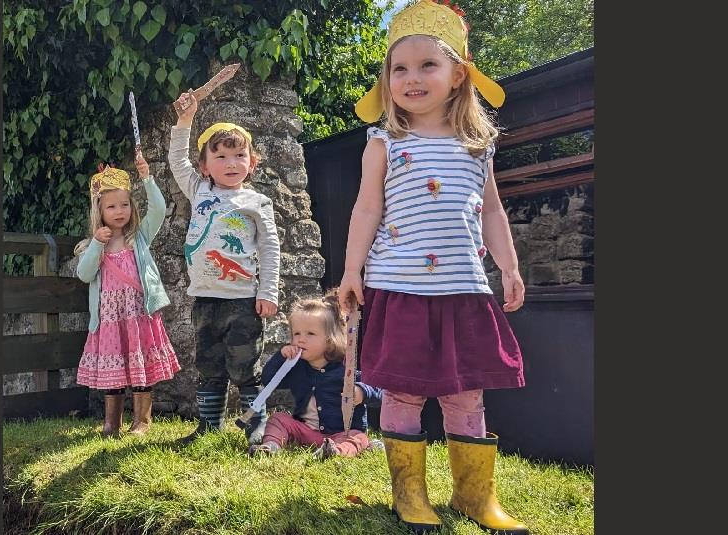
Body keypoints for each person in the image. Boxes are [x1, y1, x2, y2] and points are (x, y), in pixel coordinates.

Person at [339, 1, 529, 533]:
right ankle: (410, 495)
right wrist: (352, 272)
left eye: (428, 65)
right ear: (387, 81)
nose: (412, 78)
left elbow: (492, 210)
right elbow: (366, 209)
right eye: (400, 68)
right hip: (399, 287)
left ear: (457, 75)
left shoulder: (479, 146)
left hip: (464, 287)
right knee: (403, 390)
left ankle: (475, 496)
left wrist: (509, 267)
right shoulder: (383, 142)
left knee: (467, 391)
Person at [168, 90, 280, 445]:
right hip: (205, 300)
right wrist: (185, 121)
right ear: (204, 165)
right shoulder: (198, 190)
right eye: (220, 156)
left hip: (243, 301)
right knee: (209, 366)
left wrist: (269, 291)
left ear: (252, 162)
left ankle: (255, 426)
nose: (231, 162)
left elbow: (269, 246)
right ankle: (208, 426)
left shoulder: (257, 201)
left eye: (239, 155)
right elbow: (175, 160)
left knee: (246, 367)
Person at [74, 152, 180, 437]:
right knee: (115, 369)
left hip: (138, 314)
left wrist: (147, 178)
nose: (119, 211)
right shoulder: (92, 245)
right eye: (111, 206)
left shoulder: (140, 236)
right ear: (99, 210)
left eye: (124, 205)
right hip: (110, 319)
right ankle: (112, 422)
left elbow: (157, 209)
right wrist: (96, 244)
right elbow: (84, 274)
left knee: (141, 365)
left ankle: (142, 421)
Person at [248, 291, 383, 459]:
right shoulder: (297, 367)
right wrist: (280, 357)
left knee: (358, 437)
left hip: (341, 433)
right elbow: (269, 381)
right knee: (278, 418)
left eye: (310, 334)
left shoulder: (347, 368)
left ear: (330, 339)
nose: (300, 339)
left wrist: (362, 392)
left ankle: (335, 452)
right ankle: (270, 446)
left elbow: (380, 393)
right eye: (297, 333)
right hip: (306, 431)